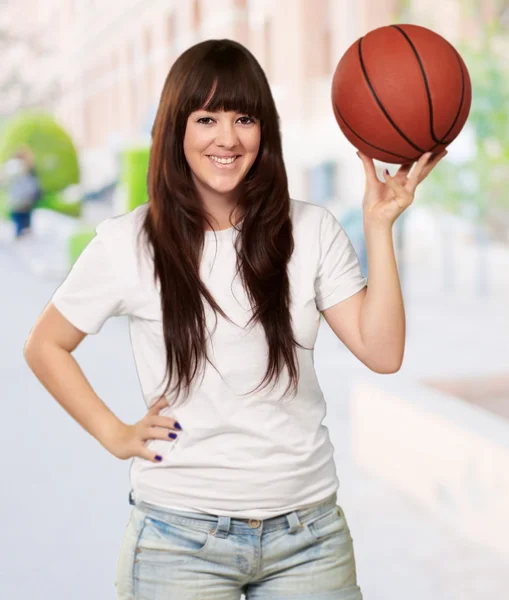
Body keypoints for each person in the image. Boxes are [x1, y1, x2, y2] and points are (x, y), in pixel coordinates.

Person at [24, 39, 446, 599]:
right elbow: (45, 344)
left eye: (244, 118)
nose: (227, 138)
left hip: (308, 536)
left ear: (264, 130)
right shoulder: (128, 243)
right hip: (178, 538)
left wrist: (379, 224)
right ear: (177, 131)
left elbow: (383, 352)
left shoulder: (311, 230)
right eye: (206, 119)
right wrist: (114, 433)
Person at [3, 146, 41, 239]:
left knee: (24, 223)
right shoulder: (13, 167)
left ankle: (23, 234)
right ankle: (21, 235)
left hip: (24, 200)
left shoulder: (29, 170)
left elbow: (33, 184)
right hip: (19, 200)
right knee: (20, 223)